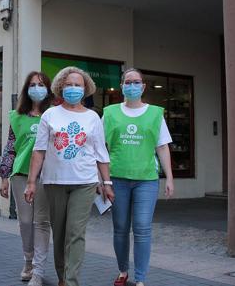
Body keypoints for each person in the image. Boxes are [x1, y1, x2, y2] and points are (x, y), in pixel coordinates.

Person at [25, 66, 115, 286]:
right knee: (60, 234)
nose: (73, 88)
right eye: (68, 84)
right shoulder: (50, 114)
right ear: (60, 87)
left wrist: (107, 183)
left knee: (76, 233)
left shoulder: (93, 117)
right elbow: (39, 151)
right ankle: (62, 277)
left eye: (78, 85)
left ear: (85, 89)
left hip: (84, 183)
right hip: (54, 182)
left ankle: (71, 281)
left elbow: (101, 154)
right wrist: (31, 182)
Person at [102, 68, 175, 286]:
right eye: (128, 81)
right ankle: (123, 271)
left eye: (136, 82)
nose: (132, 85)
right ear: (122, 85)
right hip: (117, 179)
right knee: (121, 228)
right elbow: (100, 148)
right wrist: (102, 179)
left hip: (146, 180)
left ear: (143, 86)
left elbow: (162, 147)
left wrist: (169, 177)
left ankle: (141, 278)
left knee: (142, 228)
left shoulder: (155, 113)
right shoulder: (110, 112)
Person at [0, 71, 54, 286]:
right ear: (26, 89)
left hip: (48, 175)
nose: (37, 88)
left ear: (48, 88)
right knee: (25, 222)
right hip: (21, 174)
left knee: (42, 222)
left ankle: (37, 268)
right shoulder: (16, 116)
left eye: (41, 84)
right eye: (32, 84)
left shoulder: (55, 114)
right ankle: (28, 260)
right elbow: (11, 148)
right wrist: (4, 176)